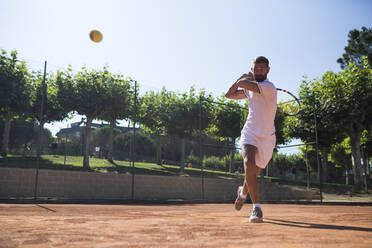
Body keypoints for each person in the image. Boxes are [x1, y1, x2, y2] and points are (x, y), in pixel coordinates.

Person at [225, 56, 277, 223]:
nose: (259, 71)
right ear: (252, 69)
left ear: (268, 70)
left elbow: (243, 84)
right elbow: (229, 95)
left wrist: (243, 78)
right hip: (249, 133)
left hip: (267, 138)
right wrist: (240, 79)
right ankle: (257, 209)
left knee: (253, 173)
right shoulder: (250, 87)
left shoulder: (268, 87)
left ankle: (243, 193)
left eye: (262, 69)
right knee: (249, 164)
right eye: (256, 68)